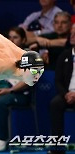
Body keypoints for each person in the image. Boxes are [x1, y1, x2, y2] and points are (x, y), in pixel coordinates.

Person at [49, 24, 75, 154]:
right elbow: (58, 80)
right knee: (55, 103)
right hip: (67, 94)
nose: (72, 36)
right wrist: (66, 94)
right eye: (71, 33)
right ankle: (57, 147)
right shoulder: (65, 55)